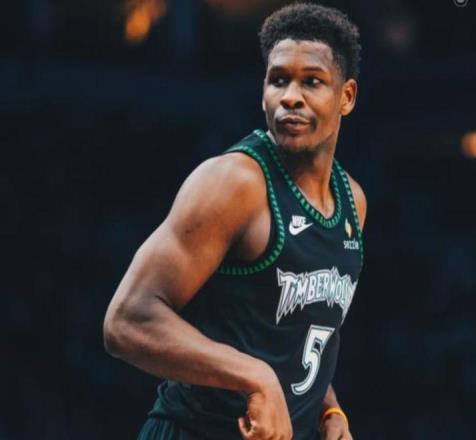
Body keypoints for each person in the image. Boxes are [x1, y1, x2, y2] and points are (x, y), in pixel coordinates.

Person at [104, 3, 365, 440]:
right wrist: (254, 376)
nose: (290, 96)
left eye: (312, 81)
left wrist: (330, 409)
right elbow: (126, 320)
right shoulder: (233, 182)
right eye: (278, 80)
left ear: (346, 96)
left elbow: (297, 338)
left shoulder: (352, 202)